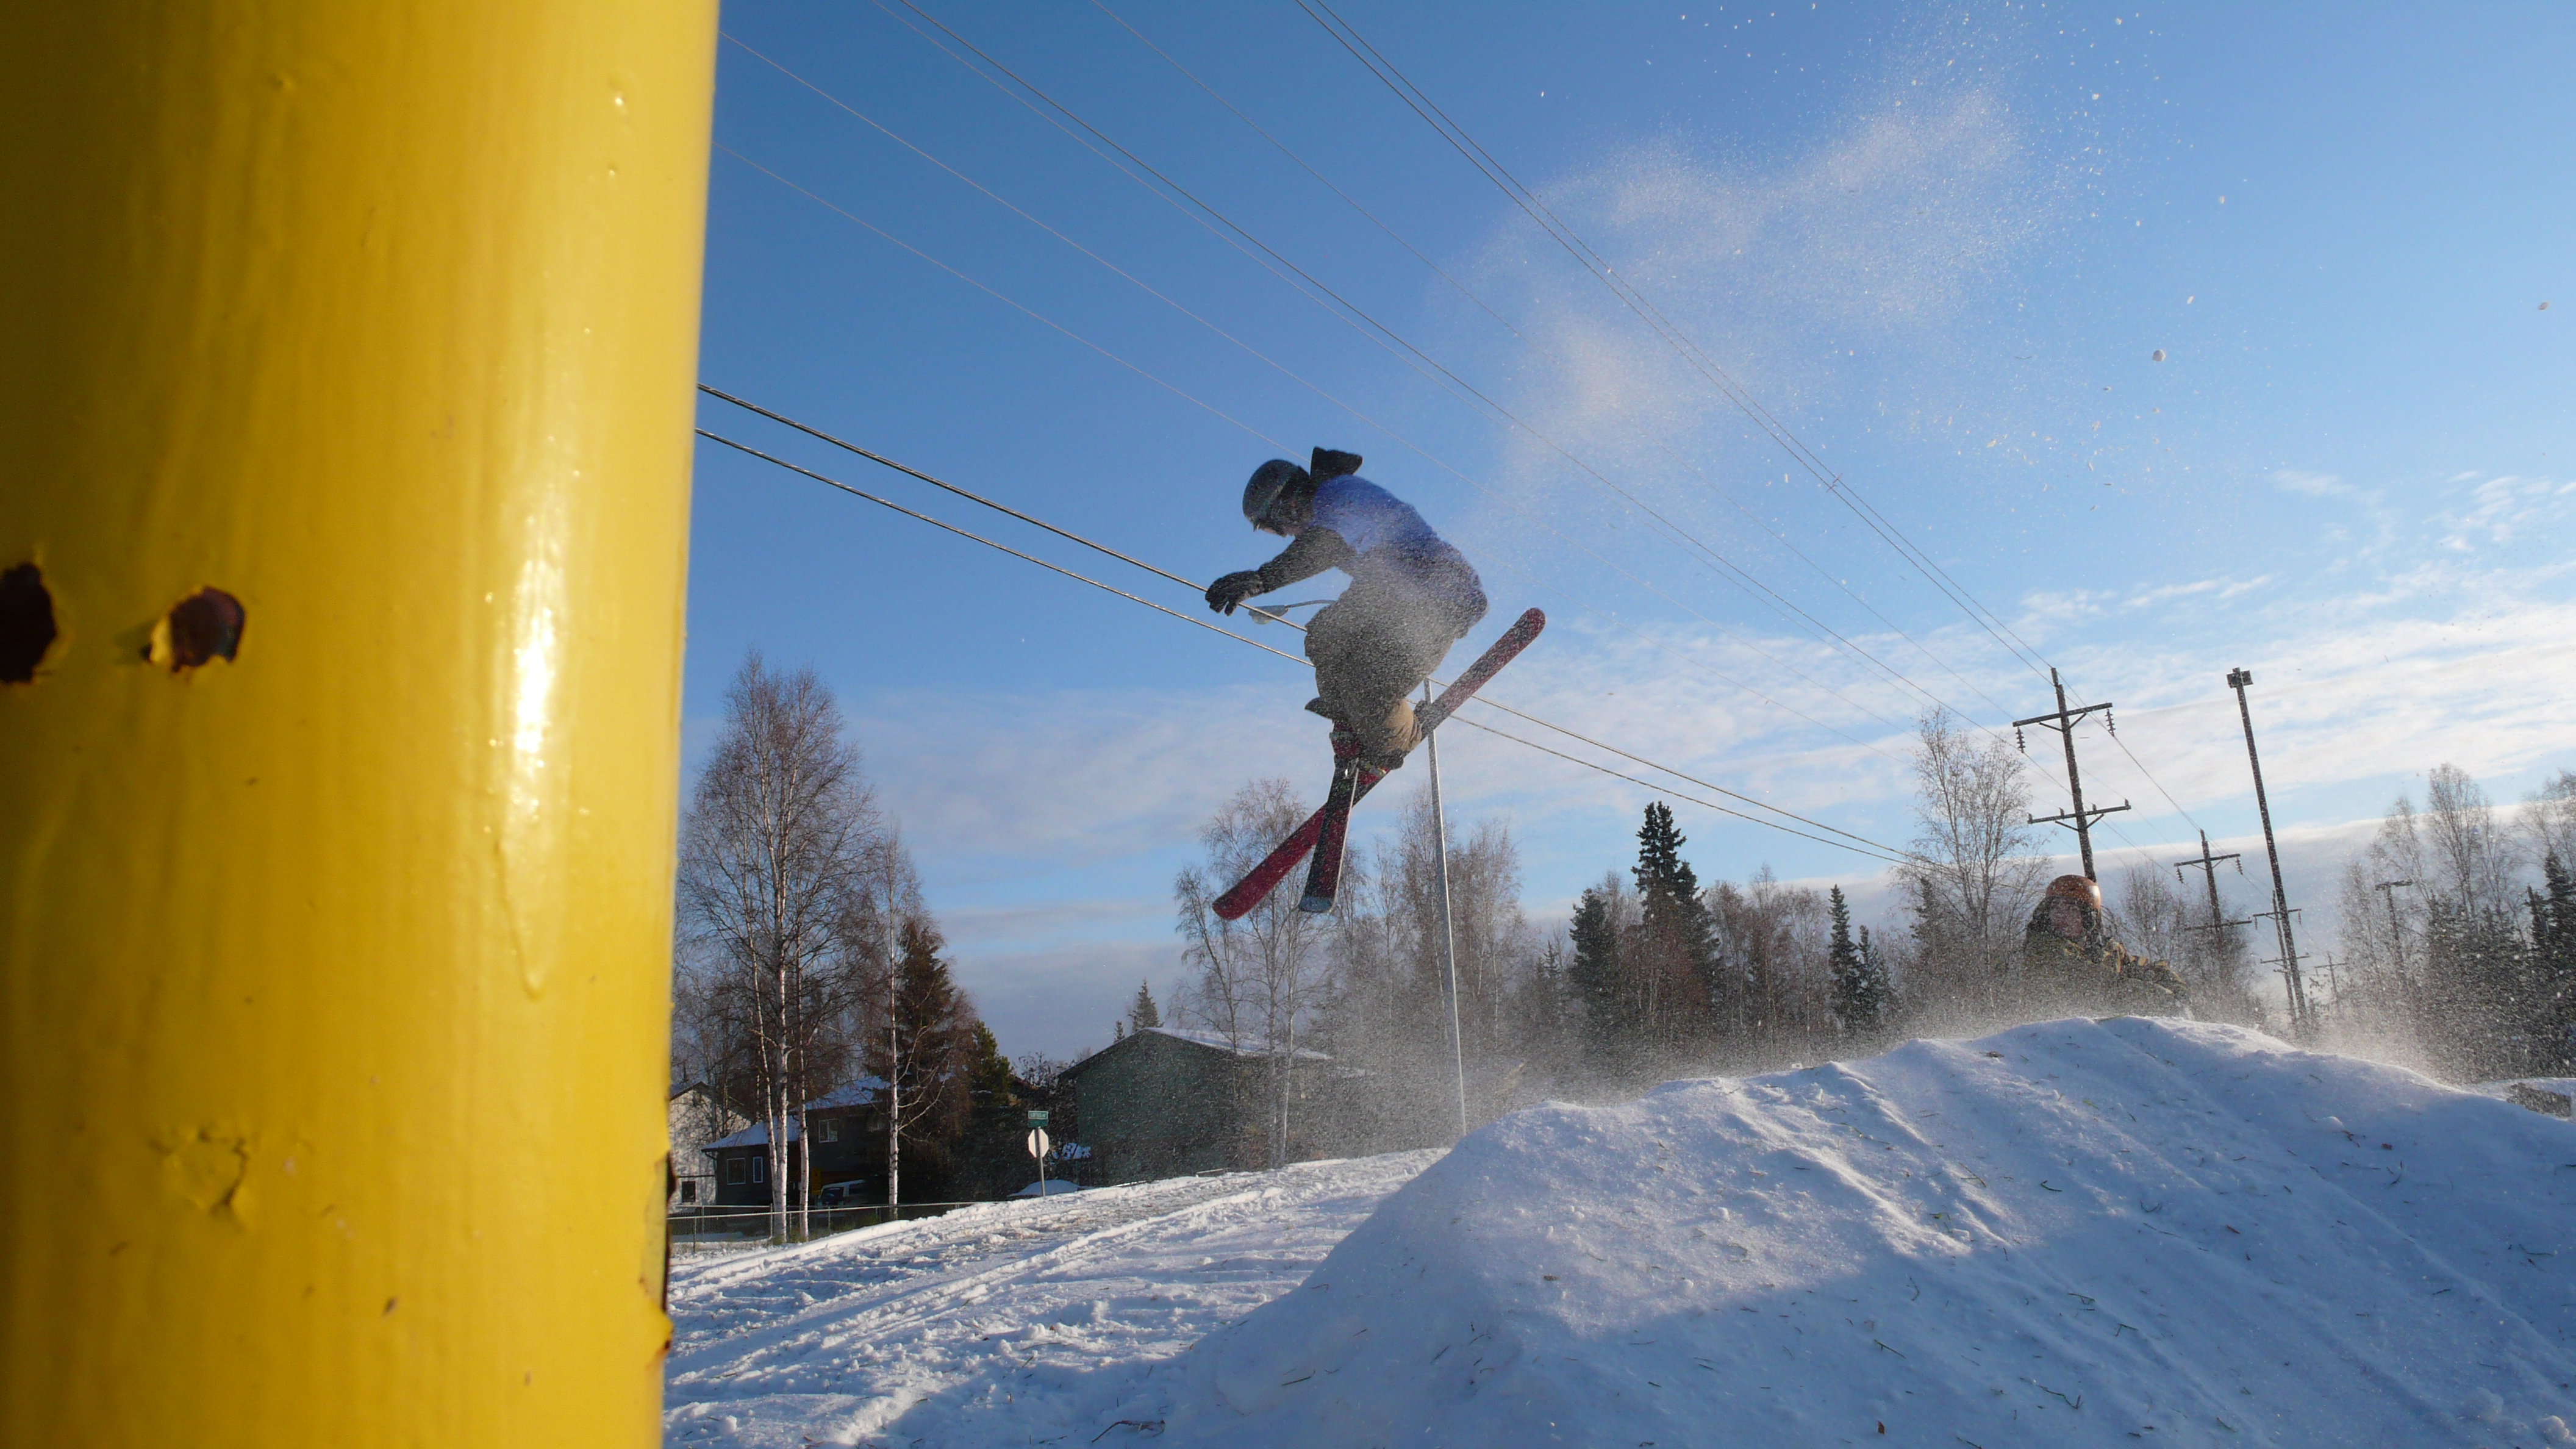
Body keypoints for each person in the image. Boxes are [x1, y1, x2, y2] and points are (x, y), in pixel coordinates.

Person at [1205, 448, 1487, 770]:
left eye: (1277, 526)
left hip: (1439, 597)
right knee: (1326, 634)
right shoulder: (1332, 507)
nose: (1286, 534)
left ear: (1290, 503)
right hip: (1393, 592)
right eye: (1275, 532)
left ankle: (1401, 734)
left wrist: (1262, 579)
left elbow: (1323, 546)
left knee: (1369, 684)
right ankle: (1350, 711)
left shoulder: (1340, 498)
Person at [2019, 874, 2189, 1016]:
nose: (2061, 916)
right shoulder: (2043, 951)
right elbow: (2102, 985)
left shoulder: (2105, 949)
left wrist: (2176, 987)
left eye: (2071, 909)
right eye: (2056, 908)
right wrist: (2162, 999)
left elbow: (2140, 968)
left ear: (2088, 917)